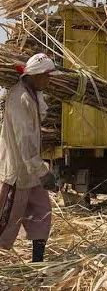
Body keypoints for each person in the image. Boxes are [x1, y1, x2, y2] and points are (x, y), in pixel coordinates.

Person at [0, 53, 60, 262]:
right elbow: (24, 140)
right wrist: (42, 171)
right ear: (36, 75)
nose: (49, 80)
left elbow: (39, 117)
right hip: (17, 172)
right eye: (46, 76)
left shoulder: (33, 93)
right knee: (5, 220)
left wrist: (39, 171)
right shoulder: (19, 98)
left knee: (42, 214)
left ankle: (38, 263)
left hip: (31, 172)